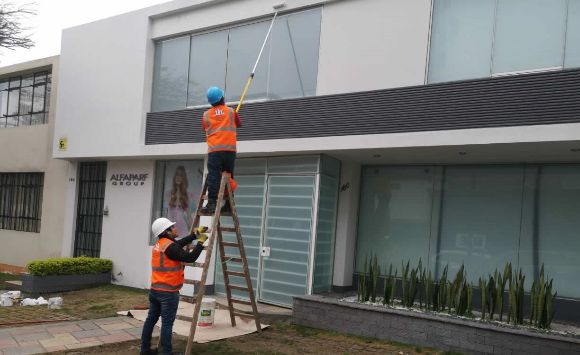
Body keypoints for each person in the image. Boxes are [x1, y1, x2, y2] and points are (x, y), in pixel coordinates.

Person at [140, 218, 208, 355]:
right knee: (167, 324)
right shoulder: (169, 246)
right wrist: (200, 243)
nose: (176, 229)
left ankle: (145, 350)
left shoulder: (161, 244)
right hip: (168, 293)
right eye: (173, 227)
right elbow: (189, 258)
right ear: (167, 231)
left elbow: (177, 245)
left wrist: (194, 235)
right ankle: (167, 353)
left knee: (151, 320)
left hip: (155, 290)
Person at [200, 86, 242, 214]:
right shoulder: (231, 111)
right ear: (222, 98)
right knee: (228, 176)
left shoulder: (206, 115)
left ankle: (212, 203)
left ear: (211, 101)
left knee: (214, 176)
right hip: (230, 151)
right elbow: (239, 124)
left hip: (215, 152)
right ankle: (229, 204)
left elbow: (205, 128)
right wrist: (232, 114)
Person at [166, 166, 193, 237]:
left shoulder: (186, 195)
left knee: (182, 246)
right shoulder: (169, 193)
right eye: (177, 175)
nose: (178, 177)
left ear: (183, 178)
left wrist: (193, 230)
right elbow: (168, 213)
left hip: (182, 227)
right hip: (171, 226)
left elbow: (189, 215)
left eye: (181, 175)